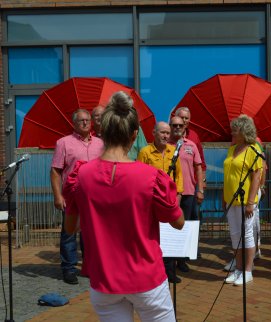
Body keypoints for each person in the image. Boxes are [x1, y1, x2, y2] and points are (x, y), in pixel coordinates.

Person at [63, 91, 184, 322]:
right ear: (134, 134)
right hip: (146, 279)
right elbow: (177, 222)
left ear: (102, 132)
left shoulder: (81, 175)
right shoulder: (151, 177)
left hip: (104, 280)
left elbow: (70, 227)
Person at [50, 108, 104, 285]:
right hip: (72, 195)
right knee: (69, 232)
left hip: (95, 196)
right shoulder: (63, 143)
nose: (85, 123)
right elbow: (56, 171)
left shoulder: (100, 144)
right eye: (81, 120)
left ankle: (89, 266)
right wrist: (58, 196)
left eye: (88, 120)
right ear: (74, 123)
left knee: (92, 233)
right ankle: (69, 268)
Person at [137, 121, 184, 283]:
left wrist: (178, 197)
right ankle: (153, 270)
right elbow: (139, 176)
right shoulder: (145, 152)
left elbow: (179, 176)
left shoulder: (173, 152)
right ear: (154, 133)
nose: (165, 135)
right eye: (162, 132)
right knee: (153, 236)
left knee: (169, 235)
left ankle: (169, 271)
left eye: (167, 133)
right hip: (151, 200)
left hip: (169, 200)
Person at [223, 115, 263, 286]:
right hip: (231, 198)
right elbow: (227, 175)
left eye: (235, 128)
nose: (232, 131)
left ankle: (248, 270)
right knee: (235, 235)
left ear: (244, 131)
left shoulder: (254, 149)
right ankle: (238, 269)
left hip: (246, 199)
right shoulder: (232, 149)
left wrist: (250, 202)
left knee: (246, 235)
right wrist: (224, 197)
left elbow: (256, 177)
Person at [168, 116, 204, 273]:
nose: (177, 127)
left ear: (185, 127)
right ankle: (169, 262)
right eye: (174, 125)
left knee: (185, 226)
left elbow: (198, 168)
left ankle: (182, 261)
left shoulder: (192, 145)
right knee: (169, 228)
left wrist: (200, 189)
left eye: (180, 125)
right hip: (170, 193)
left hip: (188, 191)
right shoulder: (166, 145)